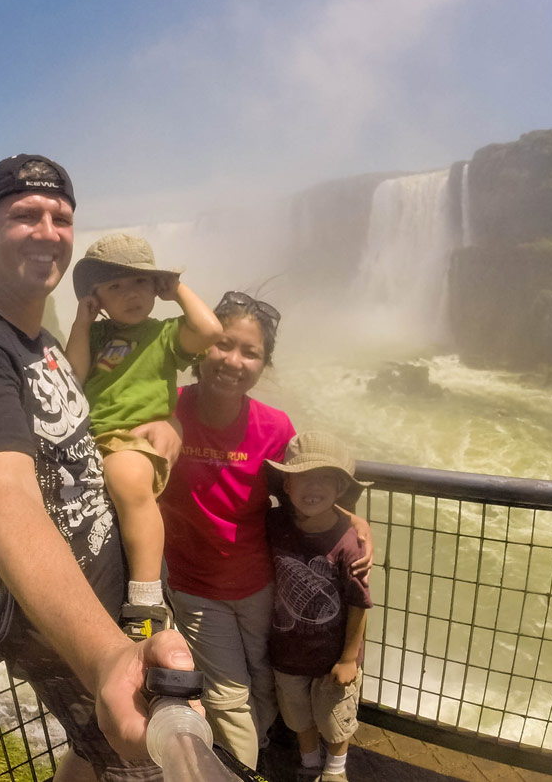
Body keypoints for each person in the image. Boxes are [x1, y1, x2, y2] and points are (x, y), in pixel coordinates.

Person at [0, 154, 193, 782]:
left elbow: (79, 442)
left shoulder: (41, 343)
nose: (47, 231)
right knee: (136, 768)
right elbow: (7, 502)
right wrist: (108, 657)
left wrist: (164, 427)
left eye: (60, 217)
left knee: (92, 761)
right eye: (25, 215)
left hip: (115, 608)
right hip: (75, 636)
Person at [159, 292, 373, 770]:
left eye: (250, 352)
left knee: (266, 679)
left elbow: (304, 495)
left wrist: (354, 520)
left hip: (262, 586)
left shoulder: (274, 428)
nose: (233, 361)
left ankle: (254, 757)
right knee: (228, 696)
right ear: (201, 347)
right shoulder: (168, 408)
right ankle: (243, 771)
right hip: (195, 587)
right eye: (223, 344)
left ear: (264, 363)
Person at [65, 233, 222, 637]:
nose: (130, 294)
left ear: (156, 287)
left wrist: (179, 290)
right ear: (96, 297)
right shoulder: (97, 336)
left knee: (127, 481)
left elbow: (209, 331)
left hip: (135, 440)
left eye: (139, 282)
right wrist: (83, 321)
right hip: (94, 440)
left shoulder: (165, 334)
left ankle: (147, 598)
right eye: (115, 286)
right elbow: (73, 374)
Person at [265, 431, 372, 782]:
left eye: (325, 478)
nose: (313, 488)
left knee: (334, 717)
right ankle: (309, 763)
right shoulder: (275, 522)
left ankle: (335, 770)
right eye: (303, 477)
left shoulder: (349, 544)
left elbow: (359, 604)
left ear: (341, 489)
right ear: (286, 484)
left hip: (332, 656)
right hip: (287, 650)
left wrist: (347, 658)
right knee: (297, 715)